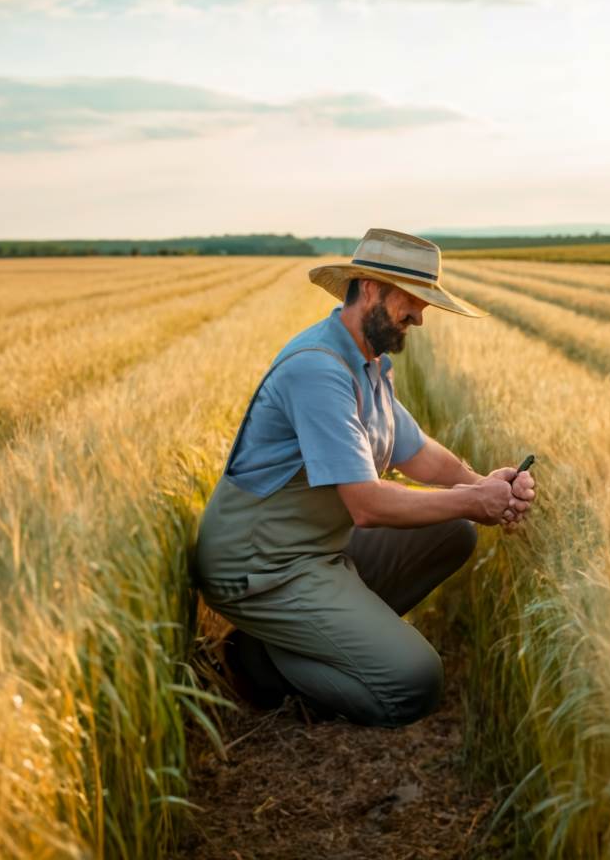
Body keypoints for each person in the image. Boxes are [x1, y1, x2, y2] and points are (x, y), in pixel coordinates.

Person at [193, 228, 535, 727]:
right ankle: (258, 662)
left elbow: (416, 452)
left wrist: (483, 483)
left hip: (316, 551)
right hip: (262, 567)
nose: (421, 316)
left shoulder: (367, 364)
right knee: (414, 684)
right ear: (370, 289)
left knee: (452, 533)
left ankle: (310, 636)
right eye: (413, 301)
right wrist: (471, 500)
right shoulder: (318, 369)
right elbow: (368, 506)